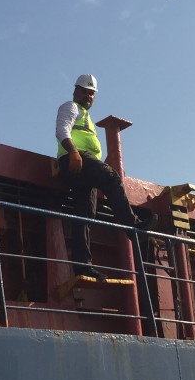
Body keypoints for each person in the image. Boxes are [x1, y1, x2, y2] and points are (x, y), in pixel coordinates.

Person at [55, 73, 156, 280]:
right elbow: (62, 130)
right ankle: (133, 227)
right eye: (85, 92)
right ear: (76, 91)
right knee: (112, 178)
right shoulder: (70, 107)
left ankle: (82, 265)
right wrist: (73, 152)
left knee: (85, 214)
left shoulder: (86, 117)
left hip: (84, 167)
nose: (89, 96)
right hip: (75, 160)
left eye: (92, 93)